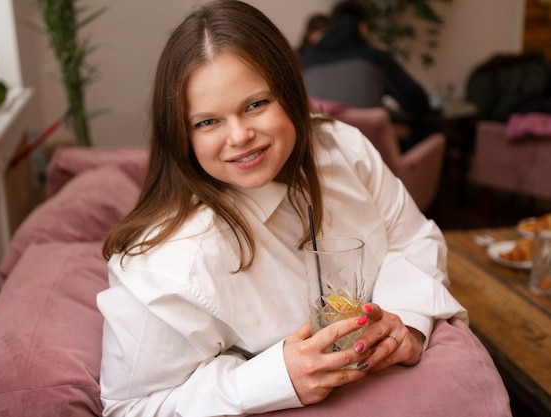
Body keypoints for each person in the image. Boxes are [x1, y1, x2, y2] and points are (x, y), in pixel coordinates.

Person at [97, 1, 511, 416]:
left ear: (290, 93)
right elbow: (131, 407)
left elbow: (412, 238)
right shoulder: (164, 264)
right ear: (180, 134)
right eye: (207, 122)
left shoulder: (343, 148)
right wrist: (272, 379)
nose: (240, 135)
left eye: (255, 104)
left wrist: (407, 320)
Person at [301, 0, 434, 152]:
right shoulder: (375, 57)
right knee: (428, 132)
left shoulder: (305, 61)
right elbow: (418, 101)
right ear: (363, 26)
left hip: (319, 152)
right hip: (369, 154)